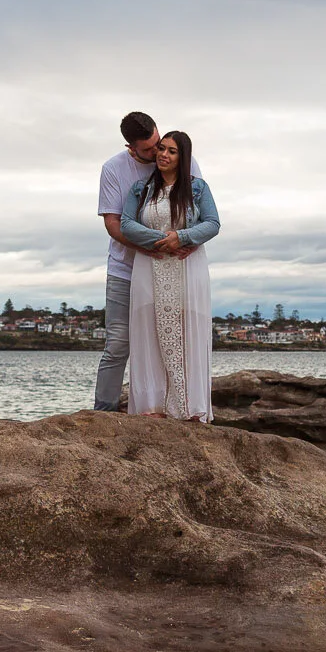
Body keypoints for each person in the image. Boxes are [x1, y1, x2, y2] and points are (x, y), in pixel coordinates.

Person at [94, 111, 199, 410]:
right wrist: (148, 246)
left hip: (174, 270)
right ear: (131, 148)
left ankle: (173, 408)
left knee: (172, 341)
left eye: (159, 142)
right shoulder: (114, 169)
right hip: (125, 270)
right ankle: (103, 413)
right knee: (117, 345)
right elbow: (114, 224)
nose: (159, 153)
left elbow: (203, 213)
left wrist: (190, 239)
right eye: (150, 149)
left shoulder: (183, 160)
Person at [115, 130, 220, 420]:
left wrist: (183, 237)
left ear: (182, 157)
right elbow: (126, 224)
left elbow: (212, 223)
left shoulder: (198, 188)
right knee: (149, 331)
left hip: (188, 268)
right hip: (150, 266)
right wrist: (163, 239)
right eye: (161, 149)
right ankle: (154, 405)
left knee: (187, 333)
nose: (163, 154)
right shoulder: (141, 189)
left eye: (172, 151)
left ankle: (188, 407)